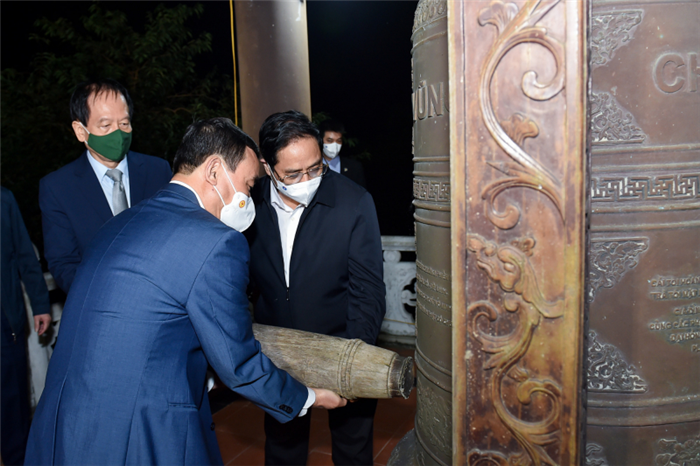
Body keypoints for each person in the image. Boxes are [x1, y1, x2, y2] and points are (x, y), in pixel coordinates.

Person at [24, 118, 345, 466]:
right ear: (214, 170)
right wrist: (309, 397)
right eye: (249, 185)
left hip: (64, 424)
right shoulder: (215, 242)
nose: (249, 197)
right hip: (137, 432)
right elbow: (238, 362)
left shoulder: (121, 222)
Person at [246, 110, 386, 466]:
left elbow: (368, 290)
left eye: (315, 167)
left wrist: (352, 364)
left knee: (353, 450)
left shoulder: (354, 201)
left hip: (343, 347)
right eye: (293, 174)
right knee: (283, 449)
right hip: (280, 355)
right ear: (267, 166)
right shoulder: (249, 203)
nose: (307, 180)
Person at [39, 78, 172, 294]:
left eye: (124, 124)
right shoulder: (58, 188)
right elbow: (64, 264)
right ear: (80, 131)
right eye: (105, 126)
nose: (118, 133)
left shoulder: (158, 171)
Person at [0, 186, 51, 466]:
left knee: (14, 408)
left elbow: (23, 253)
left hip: (6, 323)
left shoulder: (4, 199)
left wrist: (40, 303)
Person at [318, 118, 367, 188]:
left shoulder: (354, 167)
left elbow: (361, 192)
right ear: (320, 141)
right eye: (330, 140)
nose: (335, 145)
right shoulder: (313, 167)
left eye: (338, 141)